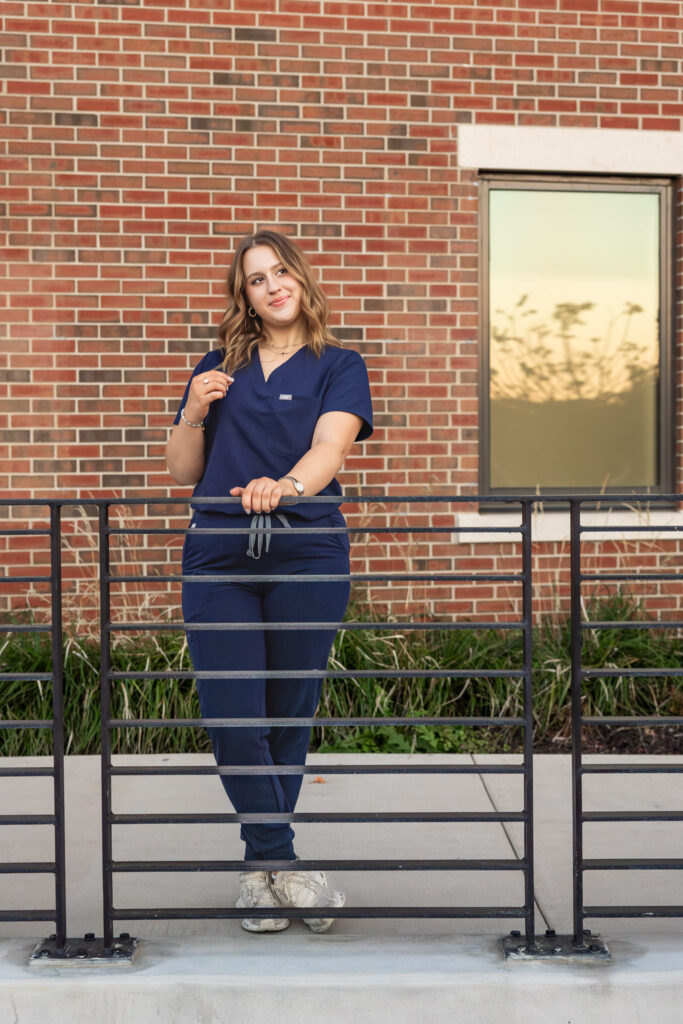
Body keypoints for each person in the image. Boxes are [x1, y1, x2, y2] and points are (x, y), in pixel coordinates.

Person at [165, 230, 373, 934]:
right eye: (256, 279)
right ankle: (280, 864)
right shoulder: (217, 365)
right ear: (244, 298)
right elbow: (183, 471)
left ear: (301, 281)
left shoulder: (338, 364)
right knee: (232, 718)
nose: (271, 285)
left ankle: (262, 876)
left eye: (280, 271)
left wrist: (283, 487)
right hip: (218, 558)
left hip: (307, 554)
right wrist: (194, 409)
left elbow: (329, 446)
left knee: (287, 716)